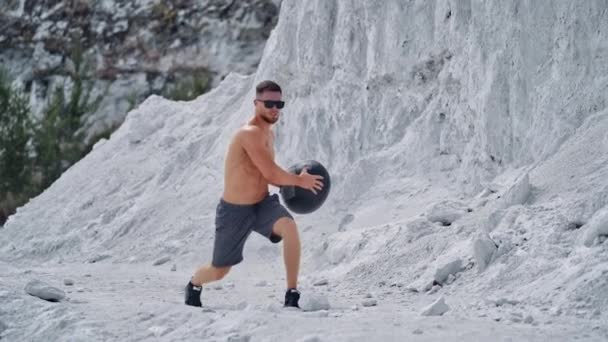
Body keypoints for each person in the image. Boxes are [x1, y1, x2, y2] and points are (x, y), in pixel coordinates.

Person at [185, 80, 324, 308]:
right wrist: (300, 180)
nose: (274, 108)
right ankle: (194, 283)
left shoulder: (269, 134)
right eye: (268, 103)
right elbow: (270, 171)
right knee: (219, 270)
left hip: (262, 205)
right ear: (256, 103)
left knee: (289, 227)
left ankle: (292, 294)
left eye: (279, 104)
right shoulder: (249, 133)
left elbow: (267, 175)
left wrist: (289, 183)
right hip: (234, 211)